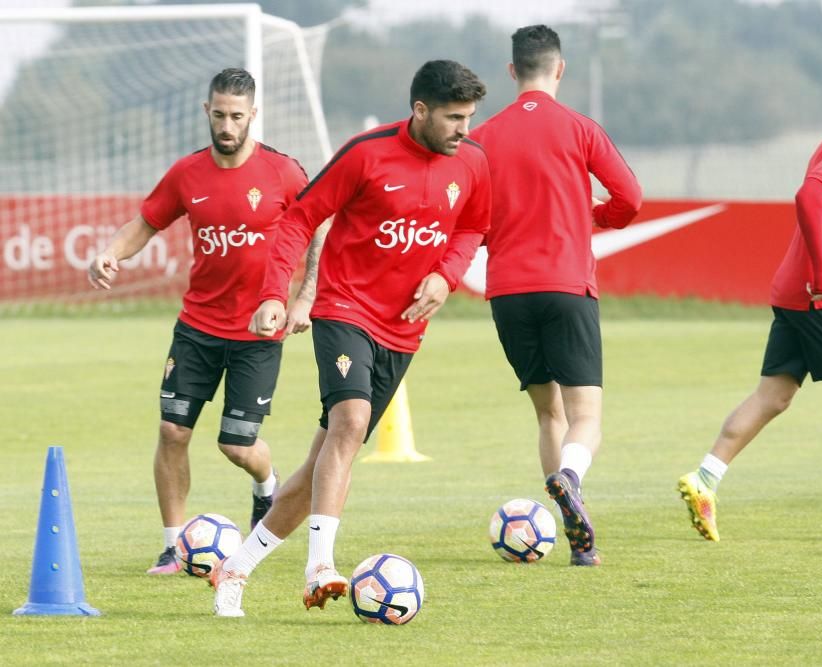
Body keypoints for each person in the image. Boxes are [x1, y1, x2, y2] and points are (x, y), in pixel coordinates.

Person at [210, 59, 490, 617]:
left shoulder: (475, 164)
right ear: (420, 111)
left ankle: (235, 569)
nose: (464, 129)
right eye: (454, 117)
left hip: (403, 329)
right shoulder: (367, 153)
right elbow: (298, 219)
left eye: (469, 118)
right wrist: (275, 294)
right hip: (345, 309)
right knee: (352, 422)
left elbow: (473, 226)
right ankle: (320, 567)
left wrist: (446, 275)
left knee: (322, 466)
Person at [87, 68, 325, 574]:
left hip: (259, 331)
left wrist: (305, 298)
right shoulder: (187, 173)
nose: (227, 125)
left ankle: (266, 485)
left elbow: (319, 229)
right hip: (197, 327)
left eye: (237, 116)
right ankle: (174, 547)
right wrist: (111, 252)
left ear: (253, 116)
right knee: (173, 431)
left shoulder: (283, 173)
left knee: (237, 445)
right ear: (206, 111)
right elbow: (147, 222)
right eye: (219, 115)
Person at [677, 68, 822, 541]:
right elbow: (808, 196)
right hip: (820, 294)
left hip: (798, 291)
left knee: (774, 395)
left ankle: (704, 480)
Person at [470, 25, 642, 566]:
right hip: (567, 285)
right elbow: (630, 198)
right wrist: (594, 217)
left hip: (508, 292)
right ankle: (569, 479)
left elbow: (467, 217)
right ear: (560, 69)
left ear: (511, 72)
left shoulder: (484, 137)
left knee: (549, 415)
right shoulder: (578, 127)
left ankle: (577, 542)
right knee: (586, 415)